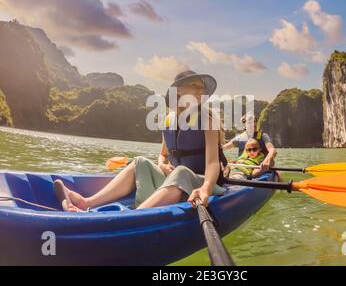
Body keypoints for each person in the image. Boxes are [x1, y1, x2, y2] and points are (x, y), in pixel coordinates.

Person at [54, 70, 227, 212]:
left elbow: (212, 162)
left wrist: (205, 188)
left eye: (202, 87)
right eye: (194, 86)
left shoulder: (207, 119)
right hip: (175, 183)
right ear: (179, 91)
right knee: (140, 162)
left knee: (181, 171)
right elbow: (163, 155)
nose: (200, 90)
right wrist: (162, 166)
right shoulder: (168, 120)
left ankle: (135, 216)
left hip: (203, 184)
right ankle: (87, 202)